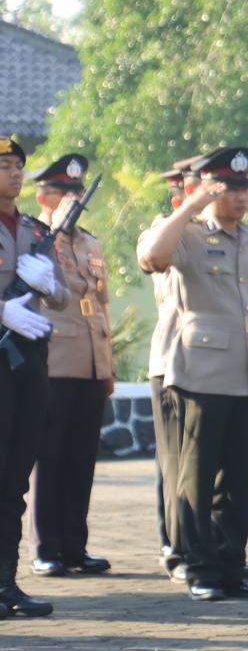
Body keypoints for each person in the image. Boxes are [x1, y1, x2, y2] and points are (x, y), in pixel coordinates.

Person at [137, 146, 248, 601]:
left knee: (239, 476)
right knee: (195, 476)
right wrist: (192, 205)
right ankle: (198, 565)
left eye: (244, 187)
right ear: (205, 188)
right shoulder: (188, 234)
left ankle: (229, 562)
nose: (239, 196)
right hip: (198, 371)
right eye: (229, 188)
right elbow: (152, 257)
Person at [27, 154, 114, 578]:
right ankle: (46, 547)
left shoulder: (90, 243)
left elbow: (101, 304)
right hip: (55, 363)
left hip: (91, 364)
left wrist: (109, 364)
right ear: (44, 197)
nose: (74, 200)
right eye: (64, 192)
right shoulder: (36, 238)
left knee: (81, 459)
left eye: (77, 193)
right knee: (51, 457)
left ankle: (74, 547)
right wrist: (54, 232)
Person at [0, 135, 66, 618]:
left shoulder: (33, 230)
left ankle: (6, 583)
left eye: (18, 165)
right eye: (5, 165)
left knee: (15, 476)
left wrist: (47, 282)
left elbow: (62, 297)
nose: (15, 173)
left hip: (28, 360)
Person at [143, 156, 198, 580]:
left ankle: (203, 544)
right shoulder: (168, 230)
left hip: (209, 363)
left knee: (199, 466)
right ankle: (174, 544)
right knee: (174, 461)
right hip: (172, 356)